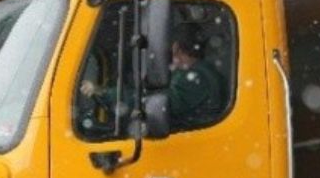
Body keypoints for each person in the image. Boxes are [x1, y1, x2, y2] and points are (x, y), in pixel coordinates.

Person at [79, 23, 224, 133]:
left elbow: (159, 104)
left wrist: (104, 93)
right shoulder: (201, 73)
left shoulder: (197, 78)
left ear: (176, 48)